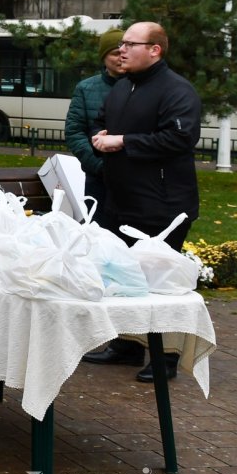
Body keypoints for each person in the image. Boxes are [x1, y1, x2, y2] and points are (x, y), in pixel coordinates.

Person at [84, 21, 201, 382]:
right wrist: (99, 135)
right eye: (121, 44)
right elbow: (100, 122)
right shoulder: (122, 87)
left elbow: (179, 138)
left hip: (163, 206)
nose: (121, 50)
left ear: (155, 50)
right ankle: (128, 344)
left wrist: (123, 142)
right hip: (121, 202)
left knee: (160, 282)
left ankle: (166, 356)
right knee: (123, 276)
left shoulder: (177, 90)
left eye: (130, 44)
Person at [64, 29, 124, 230]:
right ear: (103, 57)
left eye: (125, 52)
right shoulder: (86, 88)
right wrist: (98, 166)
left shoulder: (141, 87)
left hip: (133, 181)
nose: (121, 58)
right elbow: (74, 132)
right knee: (98, 235)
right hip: (98, 180)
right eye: (115, 53)